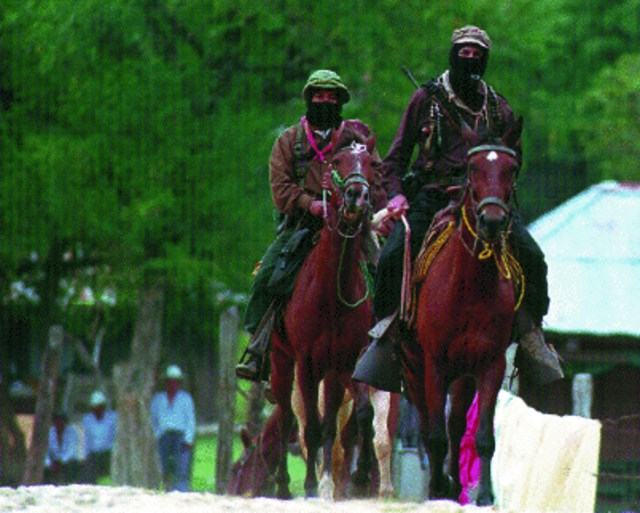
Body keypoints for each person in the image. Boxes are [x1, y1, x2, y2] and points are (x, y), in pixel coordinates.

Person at [355, 26, 563, 390]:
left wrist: (497, 189)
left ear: (486, 59)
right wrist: (396, 195)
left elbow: (515, 160)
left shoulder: (499, 108)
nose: (470, 58)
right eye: (463, 52)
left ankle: (532, 338)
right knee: (391, 257)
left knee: (533, 256)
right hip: (432, 198)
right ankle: (384, 337)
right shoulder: (425, 99)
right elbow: (395, 159)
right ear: (453, 54)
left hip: (485, 205)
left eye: (477, 53)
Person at [236, 69, 386, 382]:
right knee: (268, 276)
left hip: (352, 223)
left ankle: (391, 345)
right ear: (309, 99)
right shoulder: (289, 141)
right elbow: (281, 189)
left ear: (340, 102)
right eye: (320, 96)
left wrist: (366, 202)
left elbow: (378, 175)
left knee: (386, 269)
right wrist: (312, 204)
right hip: (304, 225)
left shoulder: (358, 139)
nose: (325, 101)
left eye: (332, 97)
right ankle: (260, 346)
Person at [150, 365, 196, 492]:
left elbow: (190, 420)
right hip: (163, 436)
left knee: (181, 468)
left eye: (175, 381)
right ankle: (166, 491)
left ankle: (181, 493)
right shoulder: (158, 399)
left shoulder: (186, 398)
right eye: (170, 381)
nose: (172, 384)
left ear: (179, 383)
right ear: (166, 383)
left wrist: (188, 439)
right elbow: (153, 420)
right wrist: (157, 436)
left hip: (180, 436)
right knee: (164, 467)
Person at [81, 390, 118, 484]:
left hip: (108, 453)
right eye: (95, 407)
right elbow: (85, 439)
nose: (97, 409)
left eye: (100, 407)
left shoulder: (112, 417)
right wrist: (84, 456)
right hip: (94, 454)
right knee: (88, 477)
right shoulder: (87, 419)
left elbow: (116, 436)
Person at [44, 410, 82, 484]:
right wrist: (49, 464)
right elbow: (45, 451)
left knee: (73, 465)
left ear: (65, 422)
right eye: (57, 421)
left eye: (61, 421)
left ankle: (70, 484)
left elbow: (72, 450)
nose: (59, 423)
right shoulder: (49, 432)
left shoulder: (72, 431)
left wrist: (61, 462)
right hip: (53, 461)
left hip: (67, 461)